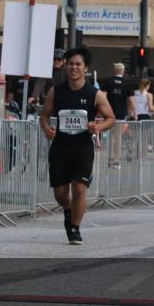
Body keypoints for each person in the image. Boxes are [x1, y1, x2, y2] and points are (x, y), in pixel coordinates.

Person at [40, 47, 116, 245]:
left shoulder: (95, 94)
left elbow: (111, 118)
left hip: (82, 147)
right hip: (60, 147)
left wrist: (97, 127)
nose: (74, 67)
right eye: (71, 64)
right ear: (66, 66)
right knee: (60, 193)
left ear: (86, 68)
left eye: (78, 64)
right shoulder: (56, 91)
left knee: (79, 187)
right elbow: (45, 115)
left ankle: (74, 228)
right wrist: (47, 128)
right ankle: (69, 209)